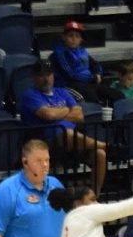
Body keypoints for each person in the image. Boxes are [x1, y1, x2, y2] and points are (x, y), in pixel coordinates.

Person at [21, 59, 108, 194]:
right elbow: (48, 115)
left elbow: (79, 116)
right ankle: (106, 145)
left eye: (49, 74)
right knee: (66, 133)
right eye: (42, 75)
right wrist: (67, 110)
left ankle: (93, 197)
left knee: (100, 154)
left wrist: (58, 113)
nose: (46, 79)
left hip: (73, 142)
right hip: (46, 143)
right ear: (34, 77)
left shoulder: (62, 92)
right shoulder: (30, 95)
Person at [52, 20, 123, 107]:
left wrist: (98, 74)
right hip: (68, 85)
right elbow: (71, 75)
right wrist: (93, 78)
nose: (74, 39)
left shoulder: (82, 51)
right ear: (63, 37)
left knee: (117, 95)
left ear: (81, 39)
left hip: (86, 83)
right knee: (93, 99)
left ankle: (115, 118)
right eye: (70, 36)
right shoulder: (59, 54)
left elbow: (96, 65)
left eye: (77, 36)